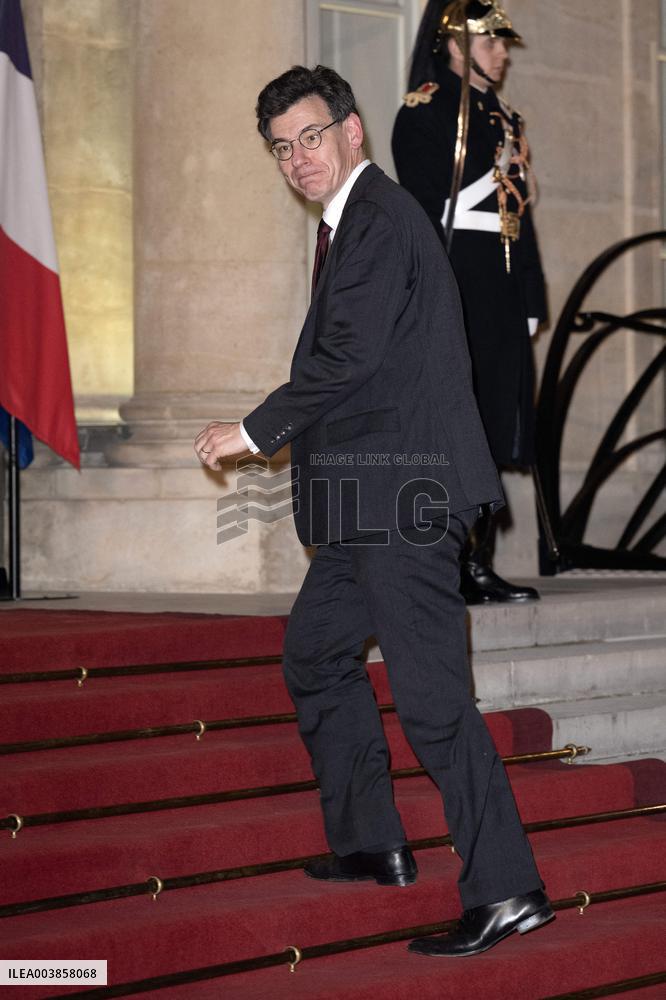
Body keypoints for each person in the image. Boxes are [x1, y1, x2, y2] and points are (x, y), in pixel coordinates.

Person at [194, 64, 553, 957]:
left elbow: (346, 357)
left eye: (311, 136)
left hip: (406, 498)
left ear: (352, 131)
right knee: (316, 655)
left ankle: (508, 890)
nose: (297, 158)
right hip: (366, 504)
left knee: (433, 705)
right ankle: (372, 842)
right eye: (282, 146)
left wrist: (250, 429)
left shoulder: (383, 220)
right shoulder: (351, 225)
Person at [392, 0, 546, 604]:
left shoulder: (504, 116)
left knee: (495, 421)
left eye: (502, 45)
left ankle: (479, 559)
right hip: (458, 280)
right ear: (455, 45)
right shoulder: (425, 113)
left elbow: (519, 217)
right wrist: (497, 172)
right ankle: (449, 562)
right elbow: (435, 210)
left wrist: (531, 294)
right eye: (491, 43)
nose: (502, 54)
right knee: (457, 423)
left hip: (502, 286)